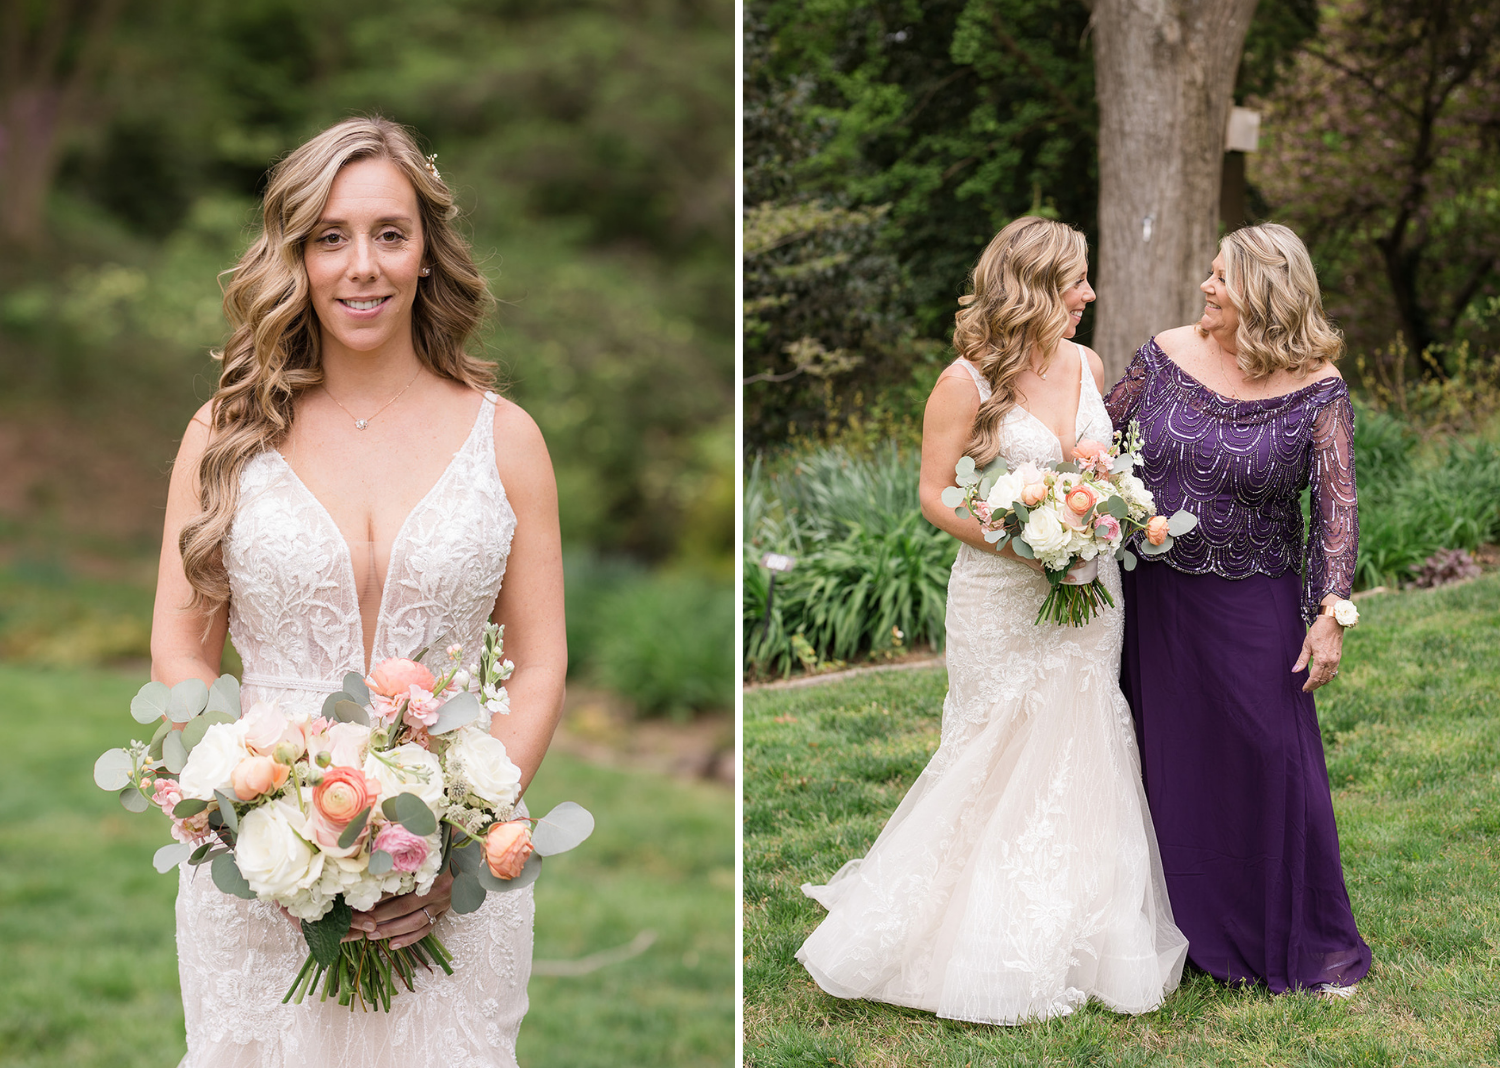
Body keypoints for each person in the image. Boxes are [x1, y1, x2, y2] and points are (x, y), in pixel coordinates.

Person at [150, 117, 566, 1066]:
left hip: (448, 869)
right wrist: (250, 807)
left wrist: (454, 839)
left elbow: (539, 663)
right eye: (329, 237)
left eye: (390, 233)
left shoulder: (507, 440)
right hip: (259, 861)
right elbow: (181, 650)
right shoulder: (225, 435)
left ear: (428, 252)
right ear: (295, 256)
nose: (362, 266)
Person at [796, 216, 1187, 1025]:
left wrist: (1100, 511)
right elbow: (935, 494)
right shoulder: (966, 382)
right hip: (1001, 592)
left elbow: (1101, 466)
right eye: (1076, 279)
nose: (1089, 293)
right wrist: (1024, 546)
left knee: (1083, 738)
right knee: (991, 746)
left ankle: (1080, 934)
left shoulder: (1087, 363)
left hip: (1090, 592)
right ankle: (960, 937)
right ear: (1036, 286)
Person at [1106, 222, 1371, 996]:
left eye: (1220, 276)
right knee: (1169, 759)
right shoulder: (1162, 355)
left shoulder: (1318, 387)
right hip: (1152, 595)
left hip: (1254, 597)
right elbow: (1095, 442)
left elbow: (1337, 506)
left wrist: (1332, 612)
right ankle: (1179, 932)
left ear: (1262, 290)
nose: (1205, 287)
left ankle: (1307, 939)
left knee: (1271, 757)